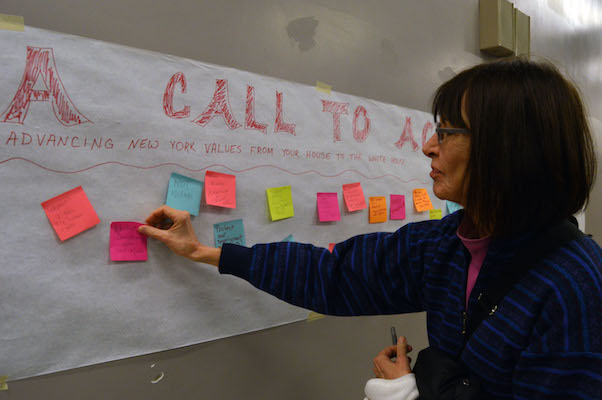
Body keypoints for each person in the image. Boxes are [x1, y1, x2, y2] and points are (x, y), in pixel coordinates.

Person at [139, 57, 601, 398]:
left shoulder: (573, 287)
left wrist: (406, 395)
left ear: (507, 148)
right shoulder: (446, 245)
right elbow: (333, 275)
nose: (427, 146)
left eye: (446, 132)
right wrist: (206, 252)